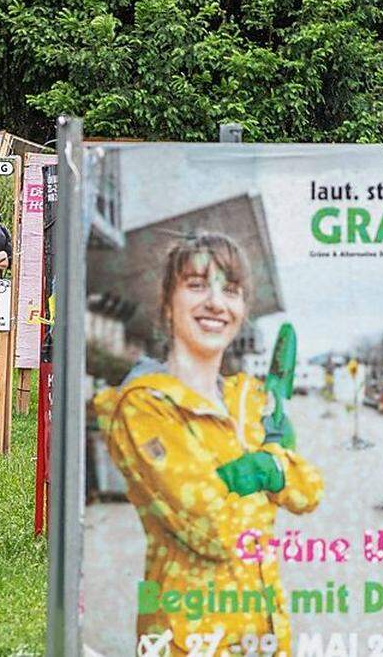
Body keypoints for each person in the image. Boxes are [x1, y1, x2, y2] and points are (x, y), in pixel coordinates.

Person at [92, 233, 323, 656]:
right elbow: (215, 531)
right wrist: (265, 467)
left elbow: (309, 491)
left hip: (264, 633)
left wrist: (268, 463)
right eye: (197, 285)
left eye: (230, 290)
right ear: (167, 304)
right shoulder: (144, 405)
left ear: (242, 311)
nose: (216, 302)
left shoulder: (248, 399)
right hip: (189, 637)